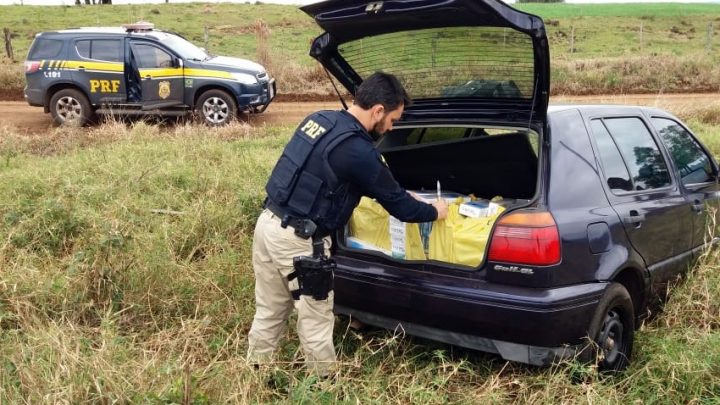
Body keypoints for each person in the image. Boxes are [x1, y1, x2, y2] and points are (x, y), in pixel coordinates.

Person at [246, 71, 448, 376]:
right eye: (393, 119)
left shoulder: (321, 119)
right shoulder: (359, 150)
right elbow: (402, 208)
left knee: (270, 310)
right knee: (316, 319)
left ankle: (254, 376)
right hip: (300, 243)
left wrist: (396, 192)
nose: (392, 127)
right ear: (378, 110)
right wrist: (436, 211)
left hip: (268, 225)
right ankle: (323, 387)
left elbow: (332, 175)